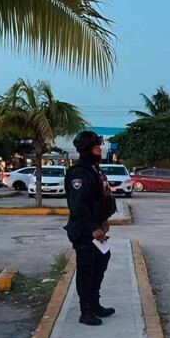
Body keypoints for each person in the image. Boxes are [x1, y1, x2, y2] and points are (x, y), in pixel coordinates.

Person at [64, 131, 117, 326]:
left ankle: (95, 304)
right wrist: (93, 227)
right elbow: (78, 206)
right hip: (84, 231)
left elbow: (101, 198)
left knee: (99, 264)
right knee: (86, 270)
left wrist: (103, 221)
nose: (99, 151)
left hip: (96, 228)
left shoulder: (94, 170)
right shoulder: (79, 173)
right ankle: (85, 312)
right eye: (96, 148)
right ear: (86, 150)